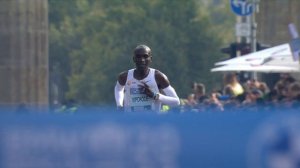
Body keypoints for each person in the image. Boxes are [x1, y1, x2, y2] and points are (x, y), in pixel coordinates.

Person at [114, 44, 180, 112]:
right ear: (134, 59)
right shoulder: (124, 76)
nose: (142, 60)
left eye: (145, 56)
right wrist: (119, 105)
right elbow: (118, 89)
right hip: (131, 121)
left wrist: (154, 95)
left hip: (152, 121)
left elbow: (176, 102)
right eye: (138, 56)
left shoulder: (158, 77)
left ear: (150, 59)